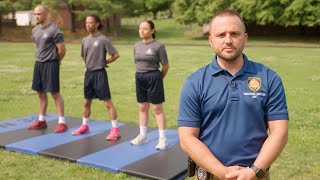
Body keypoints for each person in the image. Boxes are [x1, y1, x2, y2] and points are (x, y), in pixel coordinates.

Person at [178, 10, 289, 180]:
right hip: (210, 175)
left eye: (234, 34)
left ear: (245, 38)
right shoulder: (194, 83)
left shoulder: (268, 78)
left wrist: (254, 171)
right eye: (221, 35)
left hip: (256, 175)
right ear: (210, 40)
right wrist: (223, 173)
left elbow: (279, 132)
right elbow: (187, 138)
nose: (228, 40)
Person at [71, 14, 121, 141]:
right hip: (89, 74)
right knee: (86, 102)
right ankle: (84, 126)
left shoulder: (103, 39)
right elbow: (84, 56)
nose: (87, 25)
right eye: (86, 22)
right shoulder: (85, 40)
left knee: (107, 103)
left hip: (100, 74)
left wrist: (105, 62)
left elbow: (115, 55)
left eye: (90, 22)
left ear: (97, 24)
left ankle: (115, 130)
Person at [28, 5, 68, 133]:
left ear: (46, 14)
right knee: (40, 92)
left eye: (39, 14)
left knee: (54, 93)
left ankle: (62, 122)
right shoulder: (35, 30)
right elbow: (38, 46)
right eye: (35, 14)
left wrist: (56, 61)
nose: (36, 16)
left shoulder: (54, 29)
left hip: (51, 64)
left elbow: (62, 50)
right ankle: (41, 120)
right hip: (38, 64)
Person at [130, 20, 170, 150]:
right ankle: (143, 135)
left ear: (152, 30)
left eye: (145, 28)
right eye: (140, 28)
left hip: (154, 77)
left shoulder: (158, 46)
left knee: (157, 109)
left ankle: (163, 138)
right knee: (142, 107)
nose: (142, 31)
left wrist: (158, 78)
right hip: (139, 77)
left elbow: (165, 66)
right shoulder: (136, 45)